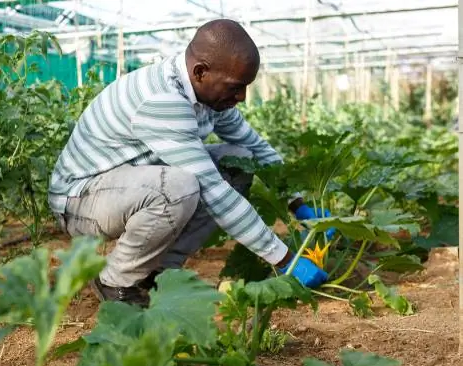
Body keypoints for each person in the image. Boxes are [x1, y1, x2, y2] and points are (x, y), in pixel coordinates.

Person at [48, 19, 326, 307]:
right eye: (235, 87)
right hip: (80, 200)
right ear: (200, 72)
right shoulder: (163, 98)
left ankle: (155, 271)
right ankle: (116, 279)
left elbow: (253, 145)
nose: (241, 97)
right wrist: (284, 260)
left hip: (126, 187)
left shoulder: (210, 96)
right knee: (180, 187)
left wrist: (298, 204)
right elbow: (213, 191)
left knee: (240, 161)